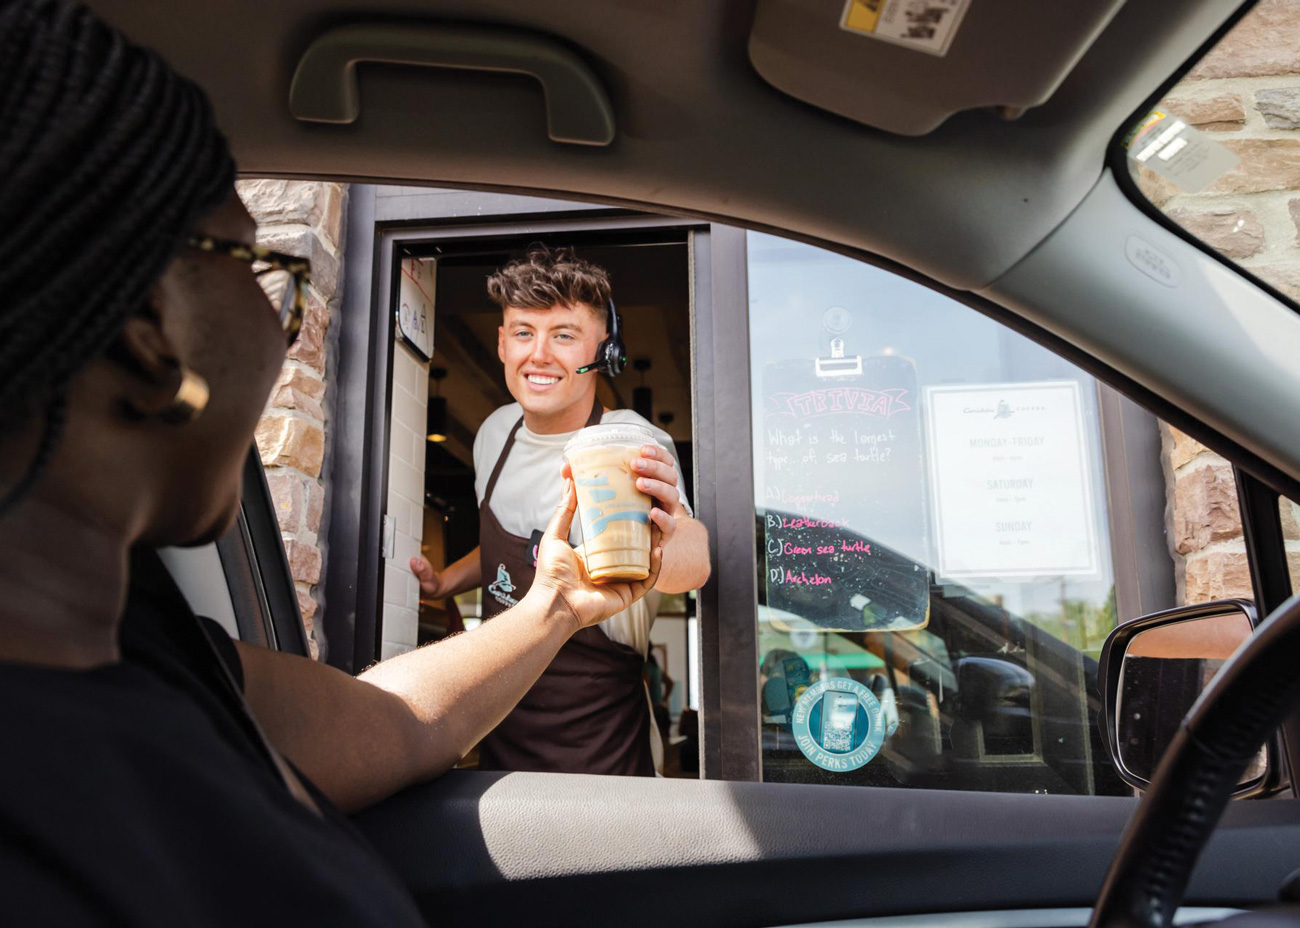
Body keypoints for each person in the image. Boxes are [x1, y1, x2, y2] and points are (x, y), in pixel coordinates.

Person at [0, 1, 668, 922]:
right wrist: (460, 581)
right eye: (265, 274)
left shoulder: (150, 645)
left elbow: (398, 721)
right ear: (154, 331)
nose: (290, 335)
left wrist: (557, 602)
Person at [411, 246, 711, 775]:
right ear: (503, 343)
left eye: (564, 335)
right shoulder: (494, 434)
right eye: (524, 333)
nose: (540, 355)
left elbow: (692, 564)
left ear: (604, 350)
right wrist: (444, 585)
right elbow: (508, 549)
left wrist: (668, 537)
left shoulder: (629, 442)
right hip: (498, 735)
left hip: (601, 747)